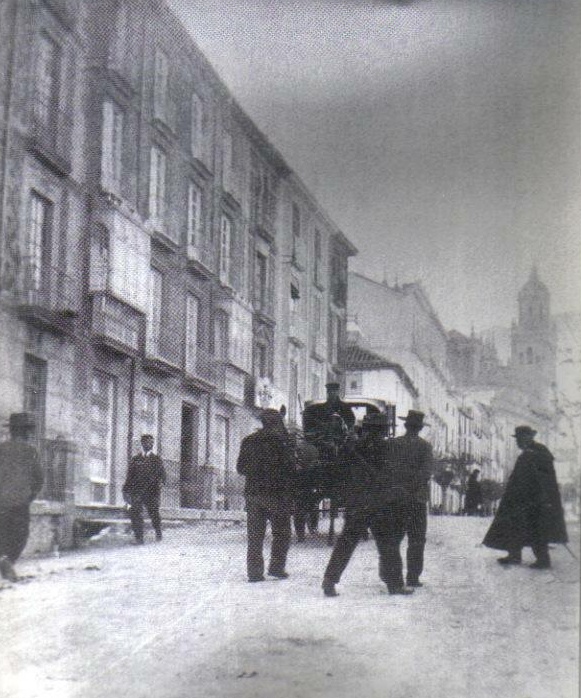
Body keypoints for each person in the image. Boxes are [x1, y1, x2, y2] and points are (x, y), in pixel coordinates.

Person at [322, 413, 414, 597]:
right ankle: (395, 585)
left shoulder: (353, 447)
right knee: (388, 545)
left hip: (358, 503)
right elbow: (396, 475)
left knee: (346, 543)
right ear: (383, 429)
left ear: (365, 428)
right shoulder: (390, 448)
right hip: (381, 503)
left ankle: (329, 580)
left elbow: (340, 473)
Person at [483, 425, 568, 569]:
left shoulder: (539, 453)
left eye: (520, 438)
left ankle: (543, 560)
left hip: (536, 500)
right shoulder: (528, 453)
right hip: (520, 499)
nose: (517, 442)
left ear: (528, 437)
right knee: (514, 526)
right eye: (517, 439)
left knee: (537, 529)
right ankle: (514, 555)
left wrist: (543, 497)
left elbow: (544, 478)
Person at [236, 408, 296, 582]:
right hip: (277, 494)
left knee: (255, 535)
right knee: (282, 533)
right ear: (277, 422)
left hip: (254, 494)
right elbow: (291, 468)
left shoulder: (248, 441)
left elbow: (240, 468)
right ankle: (276, 568)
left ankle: (254, 573)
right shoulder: (283, 442)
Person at [0, 413, 44, 582]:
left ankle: (3, 560)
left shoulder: (1, 448)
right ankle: (8, 561)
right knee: (19, 536)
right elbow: (39, 480)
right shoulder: (31, 451)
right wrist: (29, 497)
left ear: (11, 431)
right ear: (27, 432)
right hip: (20, 503)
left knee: (2, 534)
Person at [391, 410, 433, 588]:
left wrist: (400, 486)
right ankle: (413, 577)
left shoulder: (395, 444)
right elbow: (426, 472)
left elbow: (390, 469)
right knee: (416, 539)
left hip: (397, 497)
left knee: (394, 538)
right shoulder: (425, 447)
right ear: (420, 428)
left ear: (406, 426)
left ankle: (394, 576)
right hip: (417, 498)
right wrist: (413, 486)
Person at [122, 434, 166, 544]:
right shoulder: (136, 459)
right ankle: (139, 538)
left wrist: (160, 484)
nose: (149, 444)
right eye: (147, 442)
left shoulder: (156, 459)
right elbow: (129, 476)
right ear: (142, 443)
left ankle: (158, 532)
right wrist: (125, 490)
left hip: (152, 492)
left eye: (151, 442)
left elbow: (163, 475)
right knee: (135, 513)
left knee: (154, 513)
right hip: (137, 491)